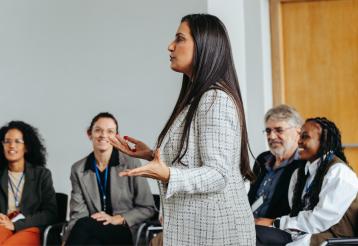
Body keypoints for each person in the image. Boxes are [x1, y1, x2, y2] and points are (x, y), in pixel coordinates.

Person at [110, 14, 256, 245]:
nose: (170, 46)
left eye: (179, 38)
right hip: (199, 230)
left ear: (203, 46)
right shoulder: (198, 99)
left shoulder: (215, 99)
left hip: (216, 233)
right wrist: (150, 154)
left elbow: (218, 174)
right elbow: (197, 157)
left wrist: (167, 174)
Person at [255, 117, 358, 246]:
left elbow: (320, 220)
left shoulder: (339, 172)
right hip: (301, 235)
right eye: (299, 136)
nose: (299, 142)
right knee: (251, 233)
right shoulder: (299, 174)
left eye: (305, 137)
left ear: (324, 141)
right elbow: (297, 213)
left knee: (256, 236)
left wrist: (274, 223)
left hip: (330, 239)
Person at [63, 112, 155, 246]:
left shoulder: (131, 163)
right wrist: (66, 238)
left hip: (124, 230)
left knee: (85, 225)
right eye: (98, 130)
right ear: (89, 134)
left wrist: (118, 218)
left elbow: (148, 208)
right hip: (91, 232)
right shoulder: (78, 169)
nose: (103, 135)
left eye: (110, 131)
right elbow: (78, 213)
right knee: (91, 240)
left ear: (116, 136)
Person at [0, 121, 57, 246]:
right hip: (3, 226)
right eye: (7, 141)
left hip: (29, 227)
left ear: (26, 147)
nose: (11, 146)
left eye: (17, 141)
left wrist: (15, 224)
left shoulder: (42, 174)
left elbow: (50, 213)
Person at [248, 105, 305, 219]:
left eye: (279, 130)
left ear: (298, 132)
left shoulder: (303, 164)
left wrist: (271, 223)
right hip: (250, 226)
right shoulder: (262, 159)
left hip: (278, 230)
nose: (272, 136)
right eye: (268, 131)